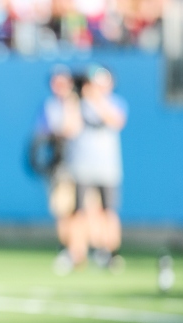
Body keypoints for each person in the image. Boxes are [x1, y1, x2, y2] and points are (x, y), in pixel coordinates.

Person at [65, 65, 127, 271]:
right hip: (82, 165)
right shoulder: (77, 104)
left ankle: (111, 253)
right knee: (78, 211)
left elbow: (116, 121)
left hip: (107, 167)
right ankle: (76, 254)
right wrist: (74, 101)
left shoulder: (114, 102)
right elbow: (70, 129)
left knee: (108, 211)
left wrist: (96, 98)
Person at [29, 65, 83, 275]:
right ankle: (67, 249)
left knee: (81, 210)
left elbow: (73, 128)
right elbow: (45, 132)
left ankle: (80, 252)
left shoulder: (77, 104)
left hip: (82, 164)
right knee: (63, 209)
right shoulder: (50, 106)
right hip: (59, 165)